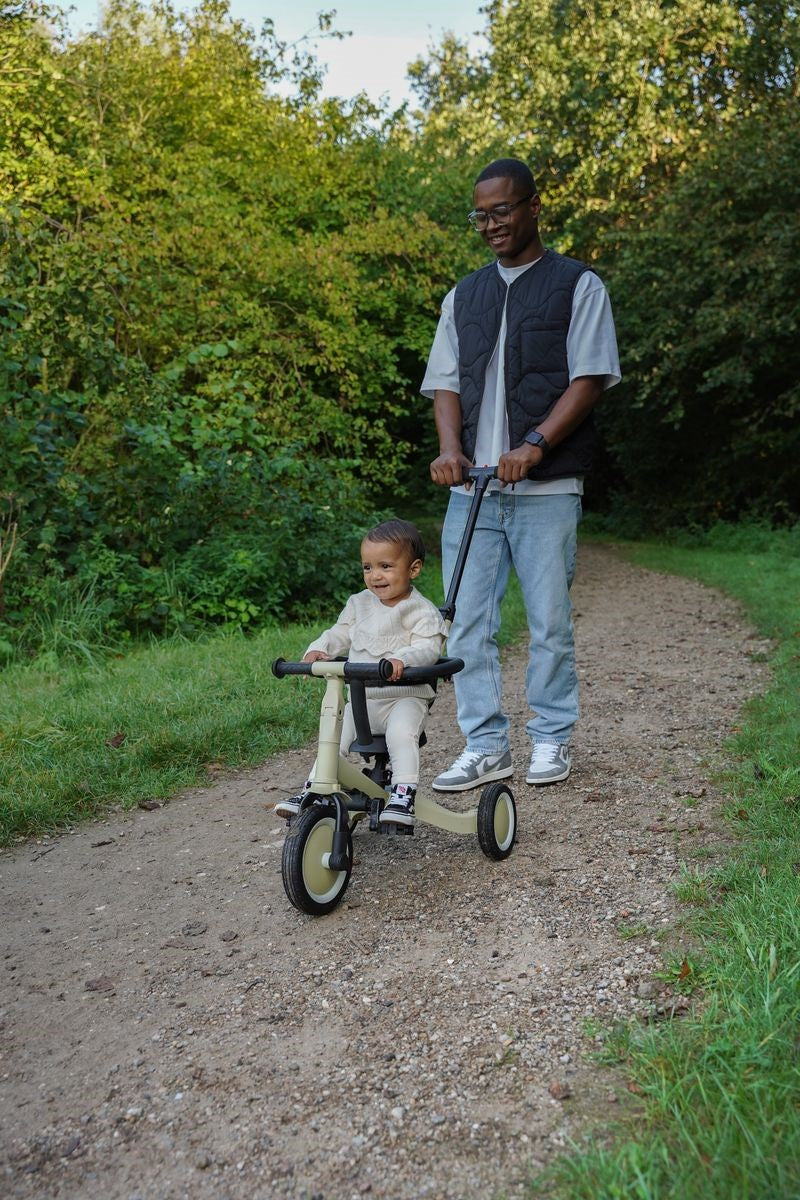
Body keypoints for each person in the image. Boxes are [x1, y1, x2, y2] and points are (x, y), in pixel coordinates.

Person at [422, 157, 620, 791]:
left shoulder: (577, 285)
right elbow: (446, 384)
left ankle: (551, 737)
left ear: (535, 206)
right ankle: (485, 745)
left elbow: (588, 378)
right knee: (468, 622)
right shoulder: (464, 295)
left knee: (548, 620)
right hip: (472, 491)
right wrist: (451, 450)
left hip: (547, 490)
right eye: (480, 214)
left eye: (501, 210)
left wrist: (534, 445)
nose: (490, 224)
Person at [275, 519, 448, 828]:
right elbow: (339, 632)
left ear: (414, 569)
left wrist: (401, 658)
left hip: (404, 698)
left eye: (385, 566)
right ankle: (314, 789)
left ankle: (403, 795)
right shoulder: (358, 604)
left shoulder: (422, 611)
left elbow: (428, 649)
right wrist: (317, 649)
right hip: (363, 699)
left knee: (400, 735)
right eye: (367, 567)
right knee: (333, 738)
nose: (375, 575)